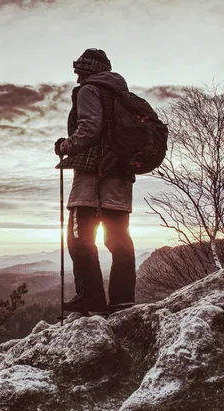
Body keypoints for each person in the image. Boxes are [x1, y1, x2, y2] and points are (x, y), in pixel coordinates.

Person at [54, 48, 136, 315]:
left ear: (88, 70)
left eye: (79, 72)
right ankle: (123, 301)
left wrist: (66, 146)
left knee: (79, 238)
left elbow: (90, 127)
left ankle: (91, 300)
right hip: (121, 176)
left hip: (93, 177)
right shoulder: (122, 96)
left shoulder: (90, 90)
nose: (77, 79)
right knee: (118, 237)